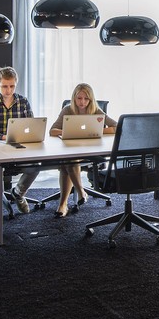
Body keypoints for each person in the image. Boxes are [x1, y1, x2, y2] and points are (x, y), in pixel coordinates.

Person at [0, 66, 40, 214]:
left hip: (17, 148)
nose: (8, 90)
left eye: (12, 86)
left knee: (35, 166)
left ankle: (18, 193)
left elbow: (32, 127)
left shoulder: (23, 101)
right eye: (4, 86)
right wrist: (4, 137)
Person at [48, 82, 114, 218]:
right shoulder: (67, 110)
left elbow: (116, 126)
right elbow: (52, 131)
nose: (82, 102)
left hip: (90, 150)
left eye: (86, 99)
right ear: (74, 98)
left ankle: (64, 204)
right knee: (68, 161)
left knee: (68, 162)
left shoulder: (96, 111)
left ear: (90, 99)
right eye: (79, 98)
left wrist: (96, 130)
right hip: (70, 149)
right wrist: (68, 131)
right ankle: (81, 192)